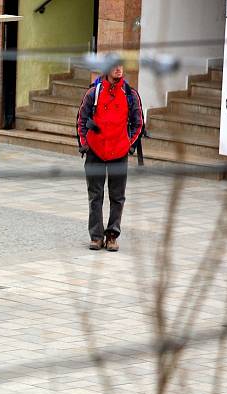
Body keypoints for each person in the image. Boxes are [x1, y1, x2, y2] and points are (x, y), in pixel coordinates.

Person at [77, 63, 143, 252]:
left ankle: (112, 235)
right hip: (95, 151)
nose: (118, 69)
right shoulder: (93, 93)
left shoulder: (130, 94)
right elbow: (81, 119)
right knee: (95, 196)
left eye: (121, 65)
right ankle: (96, 237)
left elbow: (138, 123)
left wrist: (128, 145)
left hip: (119, 152)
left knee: (117, 197)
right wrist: (85, 143)